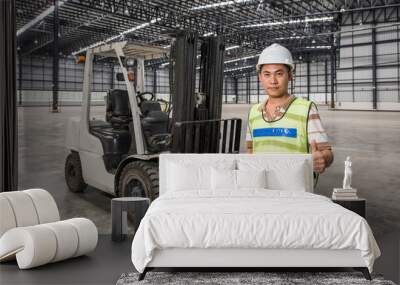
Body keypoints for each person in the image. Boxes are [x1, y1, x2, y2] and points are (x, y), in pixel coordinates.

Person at [246, 43, 333, 174]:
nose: (273, 81)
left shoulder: (306, 109)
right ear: (260, 78)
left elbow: (326, 153)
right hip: (262, 187)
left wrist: (323, 159)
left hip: (296, 187)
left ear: (290, 76)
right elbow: (251, 150)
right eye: (267, 74)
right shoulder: (254, 112)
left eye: (279, 74)